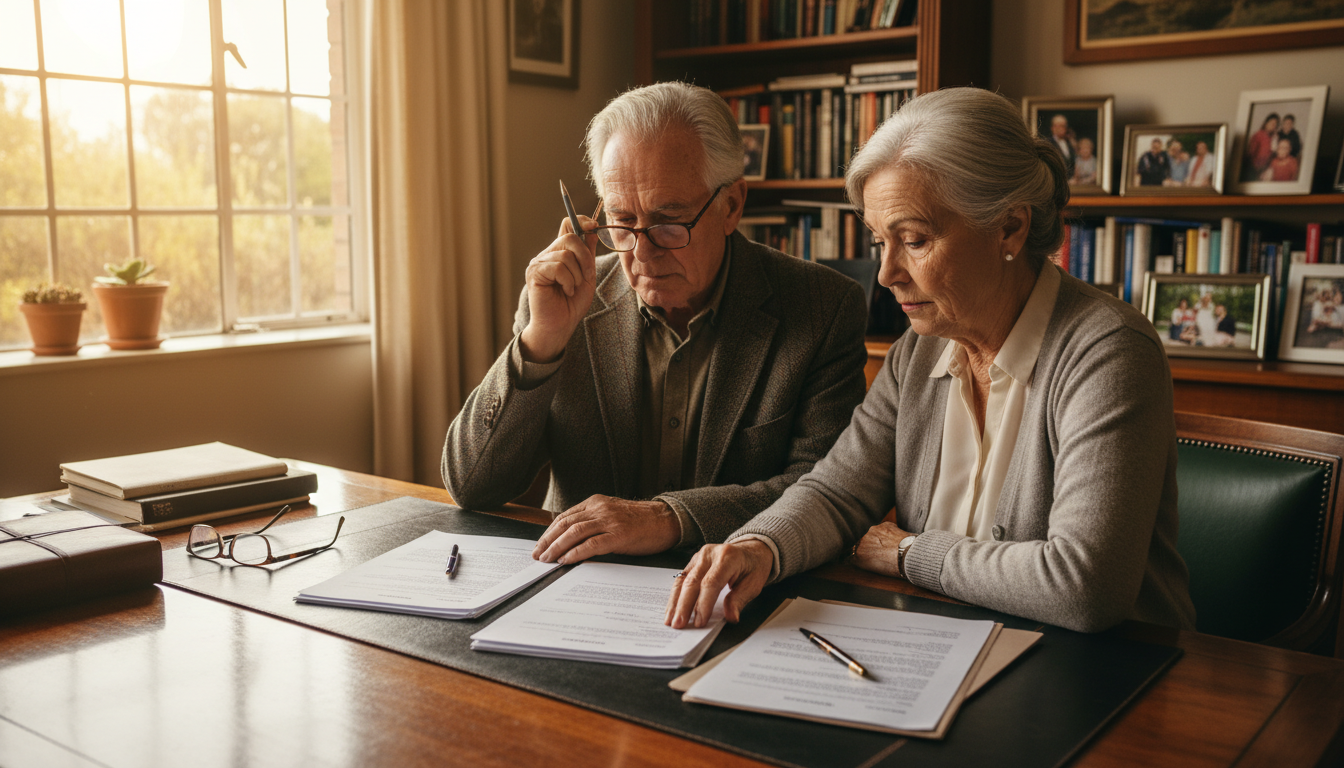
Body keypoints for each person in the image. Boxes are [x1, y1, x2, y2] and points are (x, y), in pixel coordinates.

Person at [665, 88, 1196, 635]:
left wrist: (909, 554)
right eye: (879, 242)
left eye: (915, 240)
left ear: (1010, 228)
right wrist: (761, 546)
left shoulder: (1108, 352)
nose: (886, 274)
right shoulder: (917, 352)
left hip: (1112, 676)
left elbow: (1085, 586)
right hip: (943, 648)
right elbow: (837, 492)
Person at [443, 82, 869, 566]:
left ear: (731, 206)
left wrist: (669, 518)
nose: (641, 253)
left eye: (669, 222)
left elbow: (821, 492)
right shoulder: (564, 301)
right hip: (573, 589)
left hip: (731, 590)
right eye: (622, 222)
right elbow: (471, 486)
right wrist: (541, 342)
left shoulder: (823, 308)